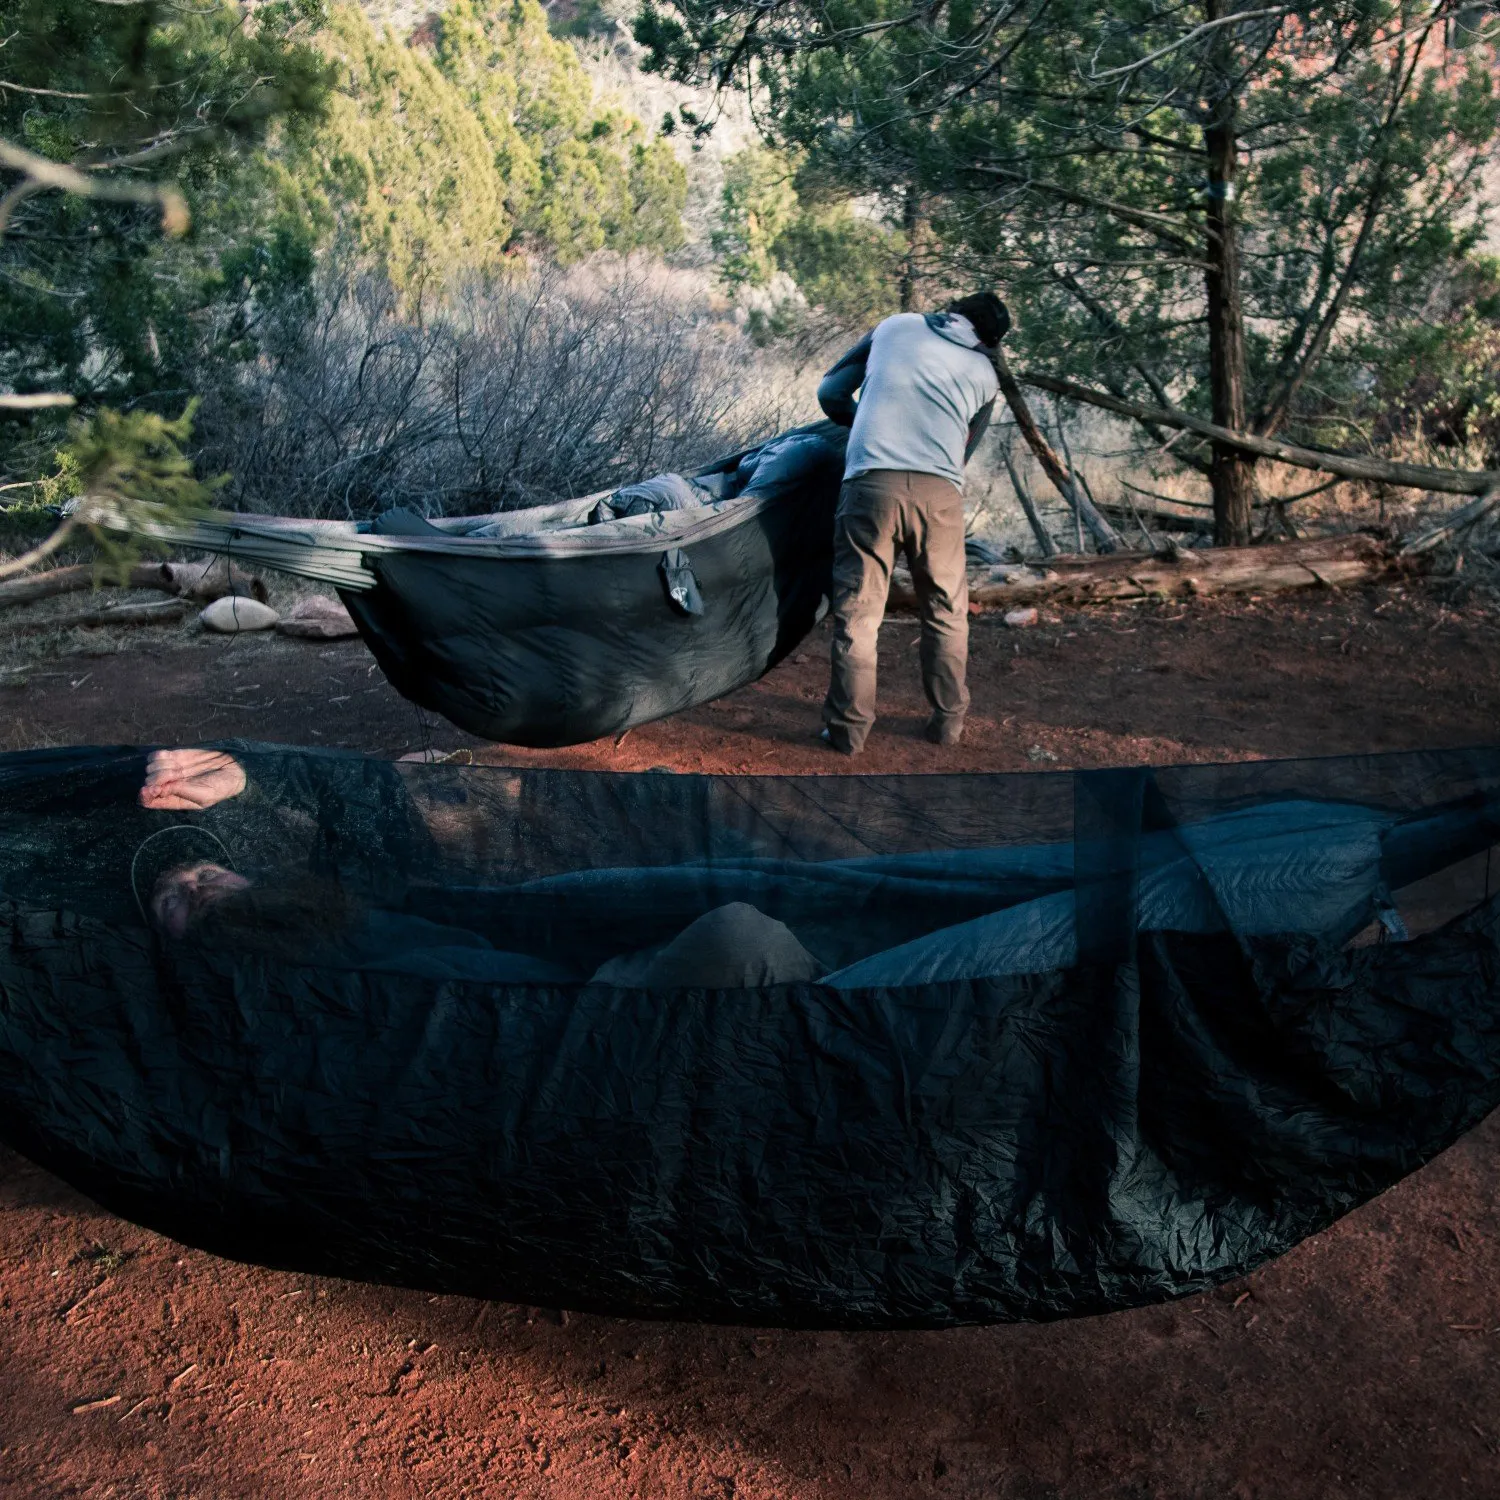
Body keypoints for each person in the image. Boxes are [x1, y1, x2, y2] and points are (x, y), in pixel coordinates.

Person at [815, 291, 1010, 754]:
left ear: (955, 310)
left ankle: (848, 732)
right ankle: (948, 724)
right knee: (945, 611)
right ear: (987, 340)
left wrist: (866, 421)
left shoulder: (896, 326)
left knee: (858, 615)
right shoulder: (987, 374)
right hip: (938, 494)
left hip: (870, 484)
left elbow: (829, 392)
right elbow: (964, 451)